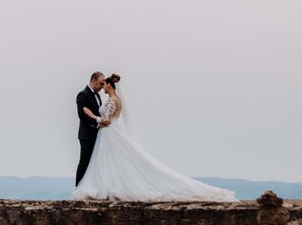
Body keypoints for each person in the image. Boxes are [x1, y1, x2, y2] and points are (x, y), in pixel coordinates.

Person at [74, 73, 238, 202]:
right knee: (107, 163)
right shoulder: (113, 99)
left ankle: (106, 187)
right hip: (103, 133)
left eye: (104, 84)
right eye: (101, 83)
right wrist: (95, 118)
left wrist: (96, 118)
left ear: (109, 85)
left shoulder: (111, 101)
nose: (102, 86)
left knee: (112, 162)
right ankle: (104, 185)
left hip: (108, 133)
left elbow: (108, 121)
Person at [75, 71, 108, 186]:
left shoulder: (98, 95)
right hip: (87, 135)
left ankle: (90, 187)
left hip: (97, 134)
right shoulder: (82, 95)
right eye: (100, 83)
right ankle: (78, 187)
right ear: (93, 81)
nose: (102, 86)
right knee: (85, 161)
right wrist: (98, 121)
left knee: (94, 163)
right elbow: (82, 115)